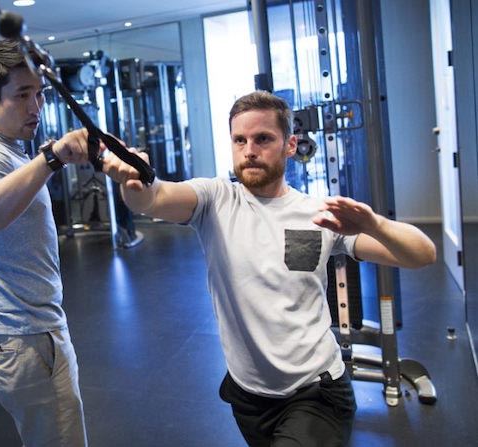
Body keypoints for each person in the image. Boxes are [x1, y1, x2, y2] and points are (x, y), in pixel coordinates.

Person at [102, 90, 437, 446]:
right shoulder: (215, 200)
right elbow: (152, 199)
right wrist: (133, 182)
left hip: (315, 394)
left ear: (290, 145)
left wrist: (376, 225)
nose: (249, 150)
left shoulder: (319, 214)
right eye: (239, 140)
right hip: (248, 396)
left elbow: (423, 254)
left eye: (263, 139)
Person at [0, 39, 96, 447]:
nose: (36, 108)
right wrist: (50, 158)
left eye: (41, 94)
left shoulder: (11, 149)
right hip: (24, 337)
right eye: (22, 95)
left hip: (28, 330)